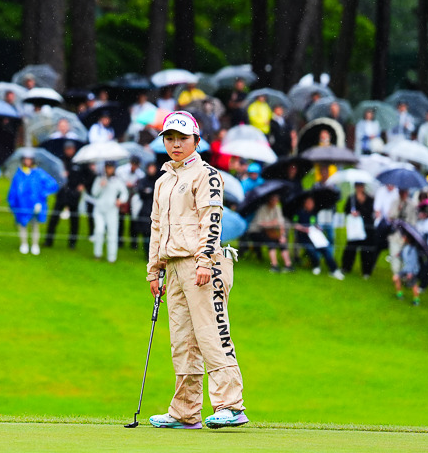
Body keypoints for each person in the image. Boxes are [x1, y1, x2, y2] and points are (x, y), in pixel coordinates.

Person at [146, 110, 247, 430]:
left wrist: (205, 260)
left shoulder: (207, 175)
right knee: (183, 341)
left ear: (197, 141)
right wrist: (154, 270)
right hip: (174, 267)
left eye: (182, 139)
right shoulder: (163, 181)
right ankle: (185, 411)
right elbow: (157, 227)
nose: (175, 144)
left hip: (206, 264)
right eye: (170, 139)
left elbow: (212, 219)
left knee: (212, 333)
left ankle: (231, 405)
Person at [7, 152, 57, 256]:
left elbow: (52, 184)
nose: (27, 161)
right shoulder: (19, 174)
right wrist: (12, 203)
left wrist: (42, 196)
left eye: (29, 159)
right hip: (22, 204)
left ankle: (35, 245)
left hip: (36, 205)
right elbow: (14, 190)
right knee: (22, 224)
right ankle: (24, 244)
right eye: (26, 159)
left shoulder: (39, 173)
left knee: (35, 225)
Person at [291, 194, 343, 278]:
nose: (311, 205)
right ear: (305, 203)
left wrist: (318, 227)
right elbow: (294, 224)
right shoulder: (299, 212)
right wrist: (304, 229)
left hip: (315, 237)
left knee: (326, 250)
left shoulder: (314, 213)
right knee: (311, 250)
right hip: (304, 237)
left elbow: (315, 224)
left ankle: (334, 269)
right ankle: (316, 266)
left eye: (312, 203)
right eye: (309, 203)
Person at [44, 140, 85, 249]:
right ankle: (49, 240)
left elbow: (86, 176)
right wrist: (61, 176)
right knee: (54, 218)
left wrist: (82, 185)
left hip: (74, 194)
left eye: (71, 149)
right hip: (62, 193)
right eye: (67, 149)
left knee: (74, 220)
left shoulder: (79, 162)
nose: (69, 151)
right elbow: (53, 176)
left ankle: (72, 243)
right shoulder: (60, 162)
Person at [90, 161, 129, 263]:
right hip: (99, 209)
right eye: (107, 167)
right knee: (99, 230)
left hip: (112, 210)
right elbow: (94, 193)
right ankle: (97, 254)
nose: (109, 170)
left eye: (111, 168)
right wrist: (100, 185)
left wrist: (120, 200)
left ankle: (112, 257)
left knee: (112, 233)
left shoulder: (117, 181)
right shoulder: (100, 179)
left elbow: (124, 193)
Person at [247, 192, 293, 273]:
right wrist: (273, 223)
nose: (275, 202)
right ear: (269, 200)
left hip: (270, 231)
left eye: (276, 200)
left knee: (281, 241)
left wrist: (282, 236)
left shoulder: (277, 208)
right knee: (271, 242)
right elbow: (260, 223)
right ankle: (274, 265)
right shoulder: (263, 208)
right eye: (273, 200)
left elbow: (280, 222)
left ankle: (288, 265)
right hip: (257, 231)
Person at [341, 183, 378, 278]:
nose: (359, 188)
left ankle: (366, 271)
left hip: (366, 228)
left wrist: (361, 212)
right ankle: (346, 267)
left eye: (360, 186)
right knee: (350, 248)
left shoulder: (369, 199)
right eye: (357, 186)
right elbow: (345, 209)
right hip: (355, 228)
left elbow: (371, 212)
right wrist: (351, 213)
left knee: (366, 251)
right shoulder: (352, 198)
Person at [391, 232, 423, 305]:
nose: (403, 238)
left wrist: (410, 273)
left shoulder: (413, 250)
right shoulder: (406, 247)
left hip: (412, 271)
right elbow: (403, 256)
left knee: (413, 284)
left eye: (404, 237)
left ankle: (416, 300)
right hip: (405, 269)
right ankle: (399, 294)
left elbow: (413, 262)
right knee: (396, 278)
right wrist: (399, 254)